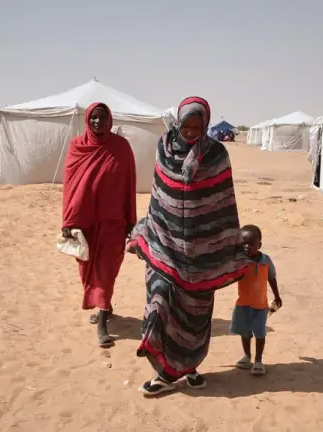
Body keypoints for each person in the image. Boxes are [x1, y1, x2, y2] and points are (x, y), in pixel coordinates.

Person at [128, 96, 248, 396]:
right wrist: (147, 232)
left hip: (201, 255)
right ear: (178, 123)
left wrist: (226, 248)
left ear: (206, 125)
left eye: (198, 127)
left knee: (194, 318)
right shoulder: (164, 147)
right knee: (160, 305)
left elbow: (223, 204)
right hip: (164, 247)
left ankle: (189, 367)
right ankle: (165, 374)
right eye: (187, 126)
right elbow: (159, 196)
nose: (191, 132)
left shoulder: (216, 154)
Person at [62, 102, 136, 348]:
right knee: (88, 269)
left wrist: (130, 220)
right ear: (87, 119)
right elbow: (70, 187)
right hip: (85, 222)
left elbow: (129, 184)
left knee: (107, 269)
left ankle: (103, 321)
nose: (97, 121)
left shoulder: (121, 147)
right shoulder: (77, 147)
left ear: (109, 120)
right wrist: (68, 220)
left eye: (102, 117)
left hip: (114, 221)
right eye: (93, 117)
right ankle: (107, 305)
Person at [230, 224, 282, 376]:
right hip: (243, 304)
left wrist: (277, 296)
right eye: (243, 243)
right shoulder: (239, 261)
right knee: (244, 332)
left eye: (251, 244)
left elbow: (271, 278)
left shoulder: (266, 261)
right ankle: (247, 357)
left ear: (259, 245)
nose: (246, 247)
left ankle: (258, 361)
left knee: (260, 333)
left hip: (260, 306)